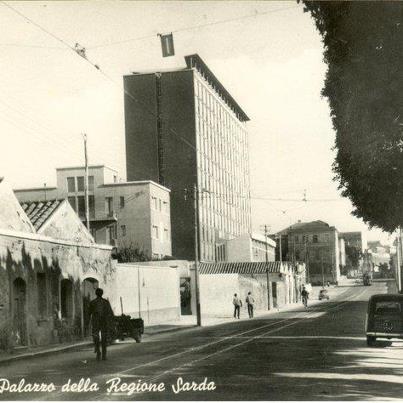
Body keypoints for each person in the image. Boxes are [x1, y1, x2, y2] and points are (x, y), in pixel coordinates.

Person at [89, 288, 114, 361]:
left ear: (96, 294)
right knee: (104, 339)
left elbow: (88, 313)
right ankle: (103, 354)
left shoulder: (92, 302)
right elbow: (110, 313)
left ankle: (99, 353)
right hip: (103, 322)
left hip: (96, 322)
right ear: (102, 293)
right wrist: (111, 322)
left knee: (96, 338)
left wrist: (88, 323)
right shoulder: (105, 302)